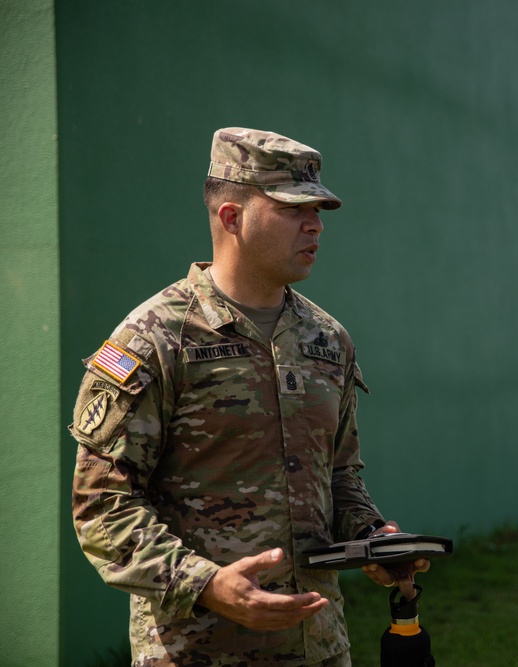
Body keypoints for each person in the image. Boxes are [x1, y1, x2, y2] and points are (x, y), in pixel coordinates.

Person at [70, 127, 426, 666]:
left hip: (318, 646)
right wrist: (209, 584)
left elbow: (339, 476)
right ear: (231, 217)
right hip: (197, 650)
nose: (315, 225)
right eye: (293, 209)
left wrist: (372, 536)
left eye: (320, 210)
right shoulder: (155, 339)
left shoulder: (326, 340)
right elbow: (102, 506)